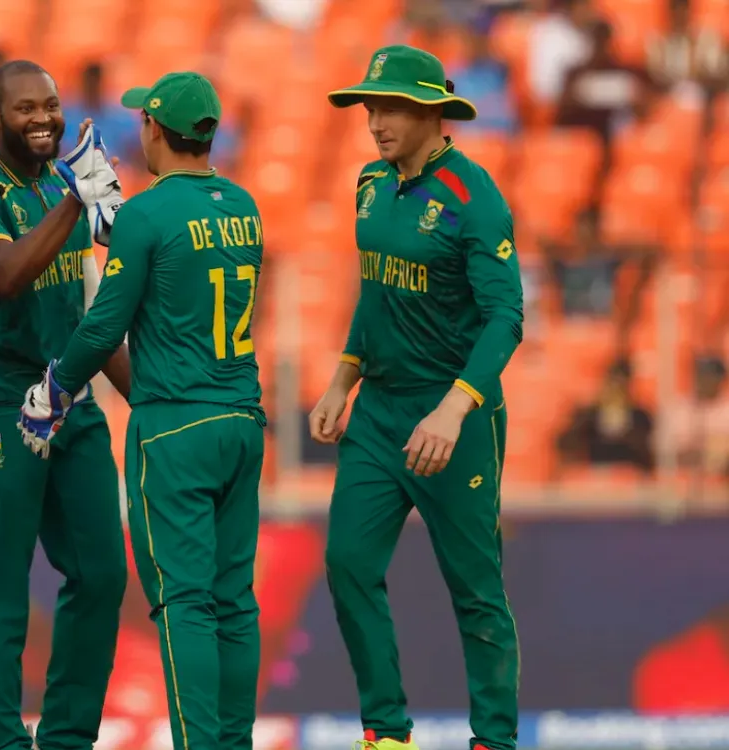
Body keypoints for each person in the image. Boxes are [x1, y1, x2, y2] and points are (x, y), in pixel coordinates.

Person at [18, 71, 267, 750]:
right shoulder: (243, 204)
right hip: (241, 419)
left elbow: (103, 326)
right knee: (234, 600)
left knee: (185, 602)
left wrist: (54, 391)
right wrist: (116, 218)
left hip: (175, 427)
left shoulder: (149, 215)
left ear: (156, 129)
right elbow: (174, 257)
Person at [310, 45, 525, 750]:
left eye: (393, 108)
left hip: (452, 416)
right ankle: (387, 733)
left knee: (476, 589)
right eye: (371, 108)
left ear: (433, 112)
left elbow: (506, 317)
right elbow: (374, 294)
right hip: (378, 413)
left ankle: (493, 740)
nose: (376, 122)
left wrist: (454, 408)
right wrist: (343, 378)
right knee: (348, 564)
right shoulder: (370, 183)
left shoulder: (474, 196)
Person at [0, 58, 130, 750]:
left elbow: (90, 313)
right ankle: (5, 741)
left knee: (102, 573)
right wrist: (77, 197)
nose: (43, 119)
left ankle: (67, 737)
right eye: (25, 109)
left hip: (69, 394)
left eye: (50, 106)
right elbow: (5, 275)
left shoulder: (58, 184)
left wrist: (152, 401)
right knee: (3, 578)